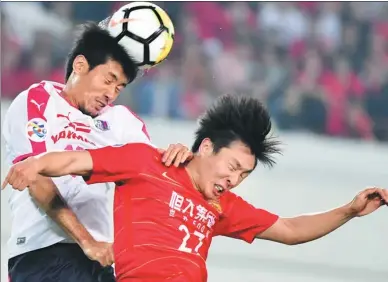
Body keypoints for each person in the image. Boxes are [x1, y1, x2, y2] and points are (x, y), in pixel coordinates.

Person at [3, 95, 387, 282]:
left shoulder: (225, 206)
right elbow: (74, 161)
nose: (234, 180)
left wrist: (349, 210)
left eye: (244, 175)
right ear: (207, 147)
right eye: (233, 166)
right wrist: (35, 163)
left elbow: (288, 230)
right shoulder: (147, 162)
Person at [2, 22, 192, 282]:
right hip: (43, 253)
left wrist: (178, 156)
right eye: (108, 80)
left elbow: (152, 173)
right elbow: (36, 177)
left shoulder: (121, 120)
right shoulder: (37, 99)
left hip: (99, 260)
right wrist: (86, 241)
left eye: (119, 87)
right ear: (80, 65)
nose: (110, 94)